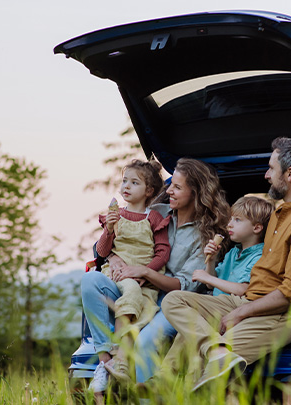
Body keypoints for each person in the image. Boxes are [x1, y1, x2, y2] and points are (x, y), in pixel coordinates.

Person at [160, 135, 291, 392]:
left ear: (290, 173)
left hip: (280, 314)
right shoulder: (280, 212)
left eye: (272, 168)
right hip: (249, 300)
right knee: (174, 300)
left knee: (212, 373)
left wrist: (240, 313)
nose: (266, 175)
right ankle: (213, 351)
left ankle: (210, 362)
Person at [80, 158, 229, 393]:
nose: (168, 190)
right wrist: (114, 258)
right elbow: (113, 245)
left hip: (172, 301)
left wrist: (145, 272)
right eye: (171, 185)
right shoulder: (156, 212)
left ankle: (145, 396)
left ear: (196, 193)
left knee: (146, 341)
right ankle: (106, 363)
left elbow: (186, 286)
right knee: (90, 280)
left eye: (177, 187)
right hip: (133, 288)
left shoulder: (205, 235)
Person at [156, 195, 274, 380]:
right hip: (215, 304)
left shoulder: (259, 255)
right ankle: (163, 379)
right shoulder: (233, 252)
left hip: (233, 306)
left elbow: (242, 289)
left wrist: (206, 278)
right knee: (186, 333)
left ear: (257, 228)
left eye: (237, 220)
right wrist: (210, 261)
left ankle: (178, 380)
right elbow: (213, 278)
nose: (230, 224)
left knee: (186, 322)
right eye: (231, 219)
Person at [92, 159, 170, 384]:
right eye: (124, 180)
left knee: (139, 297)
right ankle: (120, 352)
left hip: (142, 277)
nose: (126, 186)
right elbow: (102, 251)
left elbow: (162, 253)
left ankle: (122, 360)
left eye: (134, 182)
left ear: (149, 191)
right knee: (132, 292)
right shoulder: (115, 217)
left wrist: (143, 272)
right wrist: (108, 229)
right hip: (116, 276)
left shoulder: (153, 218)